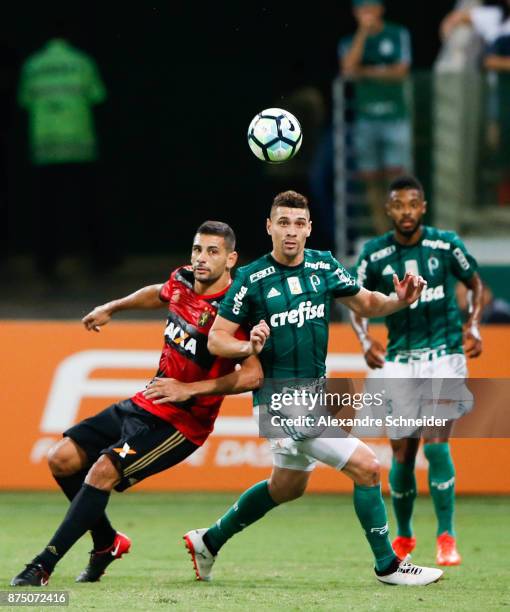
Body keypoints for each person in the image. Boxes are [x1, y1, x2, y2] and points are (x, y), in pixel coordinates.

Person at [183, 190, 443, 586]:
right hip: (277, 402)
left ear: (309, 228)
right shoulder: (251, 279)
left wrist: (399, 300)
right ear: (269, 227)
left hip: (313, 397)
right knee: (368, 467)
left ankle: (209, 541)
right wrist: (246, 345)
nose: (291, 231)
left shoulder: (324, 265)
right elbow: (217, 338)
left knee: (285, 488)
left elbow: (368, 303)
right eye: (283, 223)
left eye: (299, 223)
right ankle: (388, 565)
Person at [10, 221, 263, 587]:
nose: (201, 258)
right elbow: (160, 292)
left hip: (181, 423)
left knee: (101, 470)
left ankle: (42, 566)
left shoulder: (235, 308)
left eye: (212, 251)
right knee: (61, 458)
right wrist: (113, 307)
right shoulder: (183, 281)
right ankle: (107, 542)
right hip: (147, 401)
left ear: (231, 258)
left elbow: (252, 375)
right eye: (197, 249)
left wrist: (189, 390)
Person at [350, 175, 483, 565]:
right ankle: (405, 537)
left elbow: (474, 284)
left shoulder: (446, 244)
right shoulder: (374, 255)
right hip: (400, 359)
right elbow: (354, 300)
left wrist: (473, 324)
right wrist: (364, 340)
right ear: (388, 209)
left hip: (444, 352)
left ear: (423, 207)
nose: (406, 211)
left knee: (436, 443)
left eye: (412, 204)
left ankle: (447, 536)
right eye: (398, 204)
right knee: (402, 452)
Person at [18, 38, 108, 279]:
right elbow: (97, 95)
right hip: (80, 144)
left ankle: (46, 263)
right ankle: (100, 259)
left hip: (45, 145)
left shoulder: (33, 64)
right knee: (88, 205)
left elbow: (25, 100)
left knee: (46, 208)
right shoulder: (82, 62)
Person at [339, 0, 412, 235]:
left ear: (381, 9)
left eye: (371, 9)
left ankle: (401, 231)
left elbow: (401, 72)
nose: (367, 15)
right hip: (366, 119)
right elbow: (349, 69)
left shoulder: (397, 33)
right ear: (355, 13)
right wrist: (362, 33)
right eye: (362, 11)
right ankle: (384, 234)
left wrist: (366, 72)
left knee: (397, 179)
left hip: (395, 117)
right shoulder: (349, 42)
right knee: (371, 179)